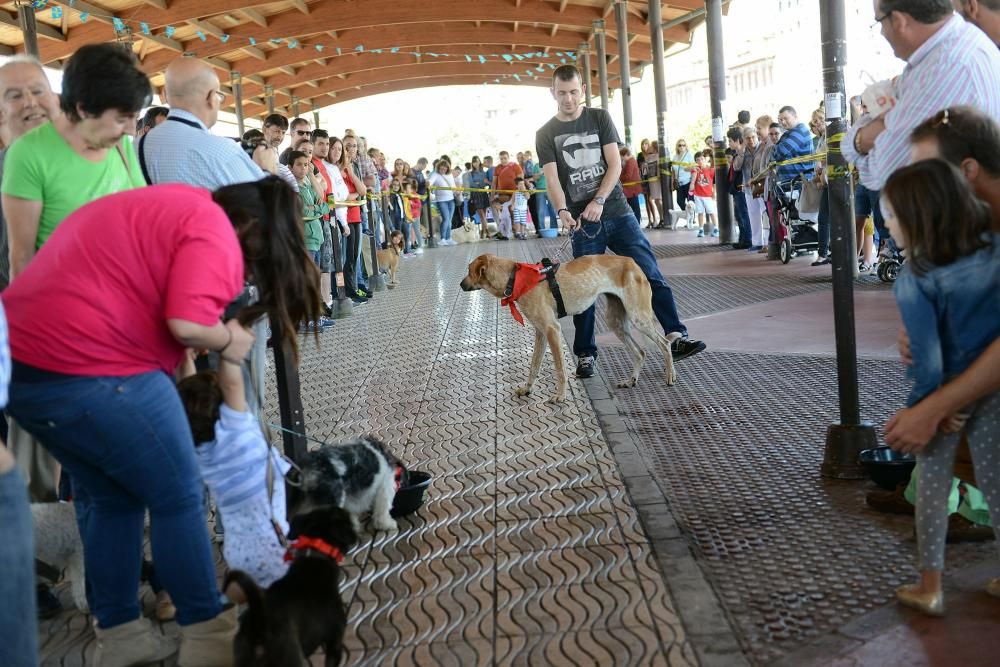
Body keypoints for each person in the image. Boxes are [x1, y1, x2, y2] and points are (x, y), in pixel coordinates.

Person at [3, 177, 321, 664]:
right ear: (250, 225)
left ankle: (123, 635)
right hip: (94, 363)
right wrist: (228, 342)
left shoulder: (177, 205)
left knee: (111, 500)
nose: (250, 276)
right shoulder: (213, 226)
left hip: (27, 372)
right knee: (178, 493)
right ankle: (208, 637)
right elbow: (187, 324)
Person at [879, 159, 1000, 616]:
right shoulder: (991, 251)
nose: (887, 225)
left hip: (946, 390)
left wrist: (926, 407)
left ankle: (930, 585)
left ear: (919, 217)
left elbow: (926, 360)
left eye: (892, 216)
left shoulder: (915, 279)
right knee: (995, 479)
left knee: (932, 483)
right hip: (992, 386)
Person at [536, 65, 705, 380]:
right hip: (583, 224)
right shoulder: (546, 133)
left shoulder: (599, 118)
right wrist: (562, 211)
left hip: (617, 212)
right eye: (562, 93)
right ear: (553, 93)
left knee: (648, 271)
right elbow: (552, 179)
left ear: (583, 89)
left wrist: (599, 199)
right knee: (582, 290)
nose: (569, 99)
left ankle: (675, 335)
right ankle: (585, 355)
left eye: (573, 92)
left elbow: (614, 163)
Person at [2, 43, 149, 281]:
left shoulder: (116, 142)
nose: (131, 129)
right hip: (71, 301)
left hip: (129, 290)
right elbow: (21, 259)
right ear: (83, 110)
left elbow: (142, 215)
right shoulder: (28, 154)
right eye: (122, 119)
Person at [843, 0, 1000, 186]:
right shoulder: (959, 45)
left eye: (879, 22)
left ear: (899, 20)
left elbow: (883, 172)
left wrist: (856, 142)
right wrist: (867, 136)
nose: (881, 33)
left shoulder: (944, 69)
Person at [177, 351, 292, 590]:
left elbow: (185, 389)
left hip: (237, 552)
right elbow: (232, 380)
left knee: (252, 591)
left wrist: (184, 357)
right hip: (272, 543)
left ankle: (235, 601)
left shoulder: (197, 450)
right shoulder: (236, 428)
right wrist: (227, 345)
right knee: (283, 593)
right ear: (225, 406)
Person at [139, 58, 264, 189]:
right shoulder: (223, 151)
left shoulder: (135, 149)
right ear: (211, 97)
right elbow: (264, 205)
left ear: (165, 94)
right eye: (219, 95)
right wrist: (266, 170)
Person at [727, 127, 752, 248]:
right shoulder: (737, 153)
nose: (729, 143)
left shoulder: (743, 152)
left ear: (738, 140)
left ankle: (747, 239)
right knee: (739, 214)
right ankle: (743, 238)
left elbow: (737, 168)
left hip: (741, 187)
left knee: (743, 214)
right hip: (737, 187)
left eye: (730, 141)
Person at [490, 151, 523, 236]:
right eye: (501, 159)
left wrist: (519, 193)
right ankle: (504, 231)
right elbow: (494, 182)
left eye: (505, 158)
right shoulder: (497, 168)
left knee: (513, 212)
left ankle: (516, 231)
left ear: (508, 157)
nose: (503, 160)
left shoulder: (515, 166)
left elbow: (521, 180)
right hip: (502, 194)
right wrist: (492, 195)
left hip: (514, 194)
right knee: (504, 213)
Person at [428, 159, 457, 245]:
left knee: (449, 220)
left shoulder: (450, 175)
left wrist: (457, 191)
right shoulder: (435, 175)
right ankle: (442, 238)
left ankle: (448, 238)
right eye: (441, 169)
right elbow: (430, 182)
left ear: (447, 169)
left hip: (451, 200)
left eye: (444, 169)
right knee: (446, 219)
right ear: (438, 168)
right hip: (441, 201)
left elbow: (453, 186)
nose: (443, 170)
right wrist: (428, 184)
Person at [689, 153, 718, 238]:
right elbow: (685, 169)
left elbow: (714, 182)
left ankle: (716, 228)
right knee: (700, 212)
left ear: (705, 160)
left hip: (708, 195)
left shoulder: (710, 170)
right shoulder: (695, 170)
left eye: (702, 159)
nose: (700, 161)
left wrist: (714, 192)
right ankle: (701, 229)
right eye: (698, 160)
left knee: (711, 211)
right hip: (698, 195)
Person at [468, 155, 491, 238]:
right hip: (475, 194)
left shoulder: (483, 172)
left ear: (479, 162)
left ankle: (482, 231)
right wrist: (478, 184)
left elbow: (484, 183)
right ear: (472, 163)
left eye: (477, 161)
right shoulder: (470, 173)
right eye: (474, 162)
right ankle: (487, 231)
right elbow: (471, 184)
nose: (475, 163)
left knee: (484, 214)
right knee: (481, 214)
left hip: (483, 193)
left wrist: (478, 183)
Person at [642, 140, 664, 227]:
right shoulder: (648, 157)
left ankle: (663, 219)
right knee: (656, 200)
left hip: (658, 181)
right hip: (652, 181)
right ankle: (661, 219)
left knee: (659, 200)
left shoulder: (659, 156)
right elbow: (644, 172)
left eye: (651, 145)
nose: (649, 147)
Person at [619, 146, 644, 225]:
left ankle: (636, 223)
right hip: (632, 189)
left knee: (634, 208)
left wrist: (618, 178)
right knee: (634, 208)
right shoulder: (632, 161)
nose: (622, 159)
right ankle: (636, 223)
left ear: (626, 154)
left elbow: (628, 175)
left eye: (622, 157)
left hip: (631, 189)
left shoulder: (630, 161)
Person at [671, 139, 694, 213]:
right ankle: (688, 214)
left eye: (683, 145)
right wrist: (672, 182)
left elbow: (694, 169)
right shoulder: (675, 157)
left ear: (686, 146)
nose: (682, 147)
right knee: (679, 201)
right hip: (679, 183)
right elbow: (673, 171)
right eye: (680, 145)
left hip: (688, 181)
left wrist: (692, 183)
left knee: (690, 201)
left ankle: (691, 219)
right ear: (677, 147)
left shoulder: (689, 155)